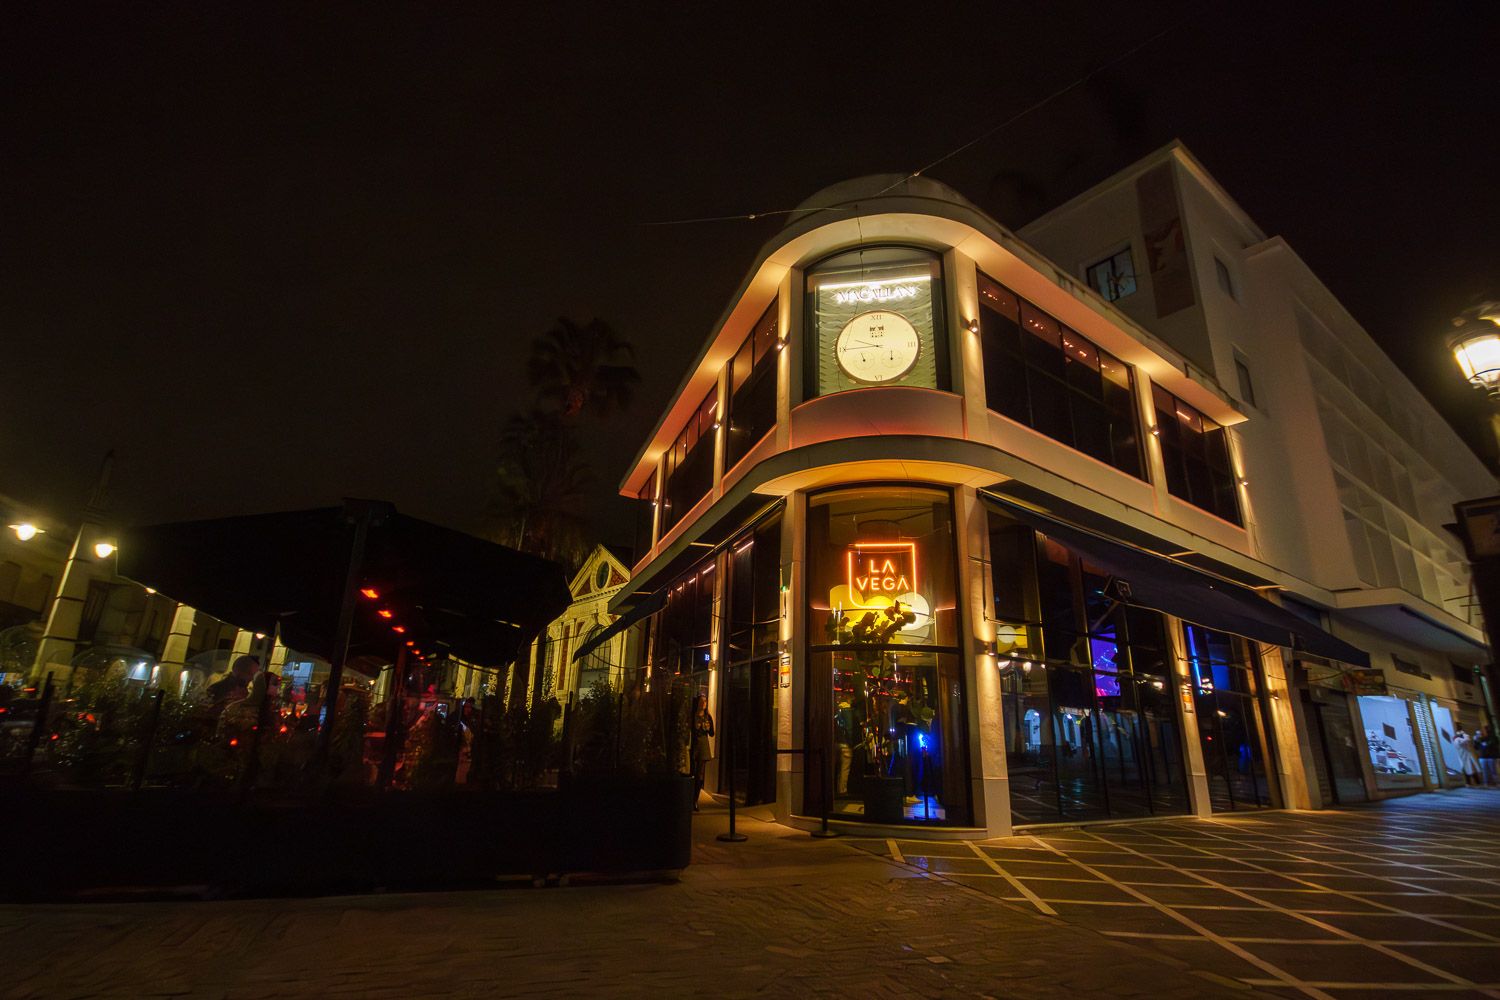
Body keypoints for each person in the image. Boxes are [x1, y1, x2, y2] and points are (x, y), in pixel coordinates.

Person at [689, 693, 714, 810]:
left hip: (703, 746)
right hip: (694, 745)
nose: (704, 703)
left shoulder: (707, 717)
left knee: (699, 774)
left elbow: (712, 733)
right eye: (702, 701)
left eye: (705, 701)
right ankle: (690, 798)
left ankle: (695, 800)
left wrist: (709, 727)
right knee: (692, 772)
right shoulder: (693, 716)